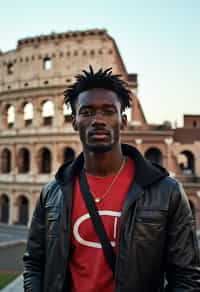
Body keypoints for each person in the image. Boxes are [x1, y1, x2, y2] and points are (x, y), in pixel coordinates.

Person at [23, 66, 200, 291]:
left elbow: (185, 277)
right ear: (75, 122)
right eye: (86, 112)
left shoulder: (167, 192)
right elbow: (34, 263)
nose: (98, 120)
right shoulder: (52, 192)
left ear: (123, 121)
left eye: (108, 111)